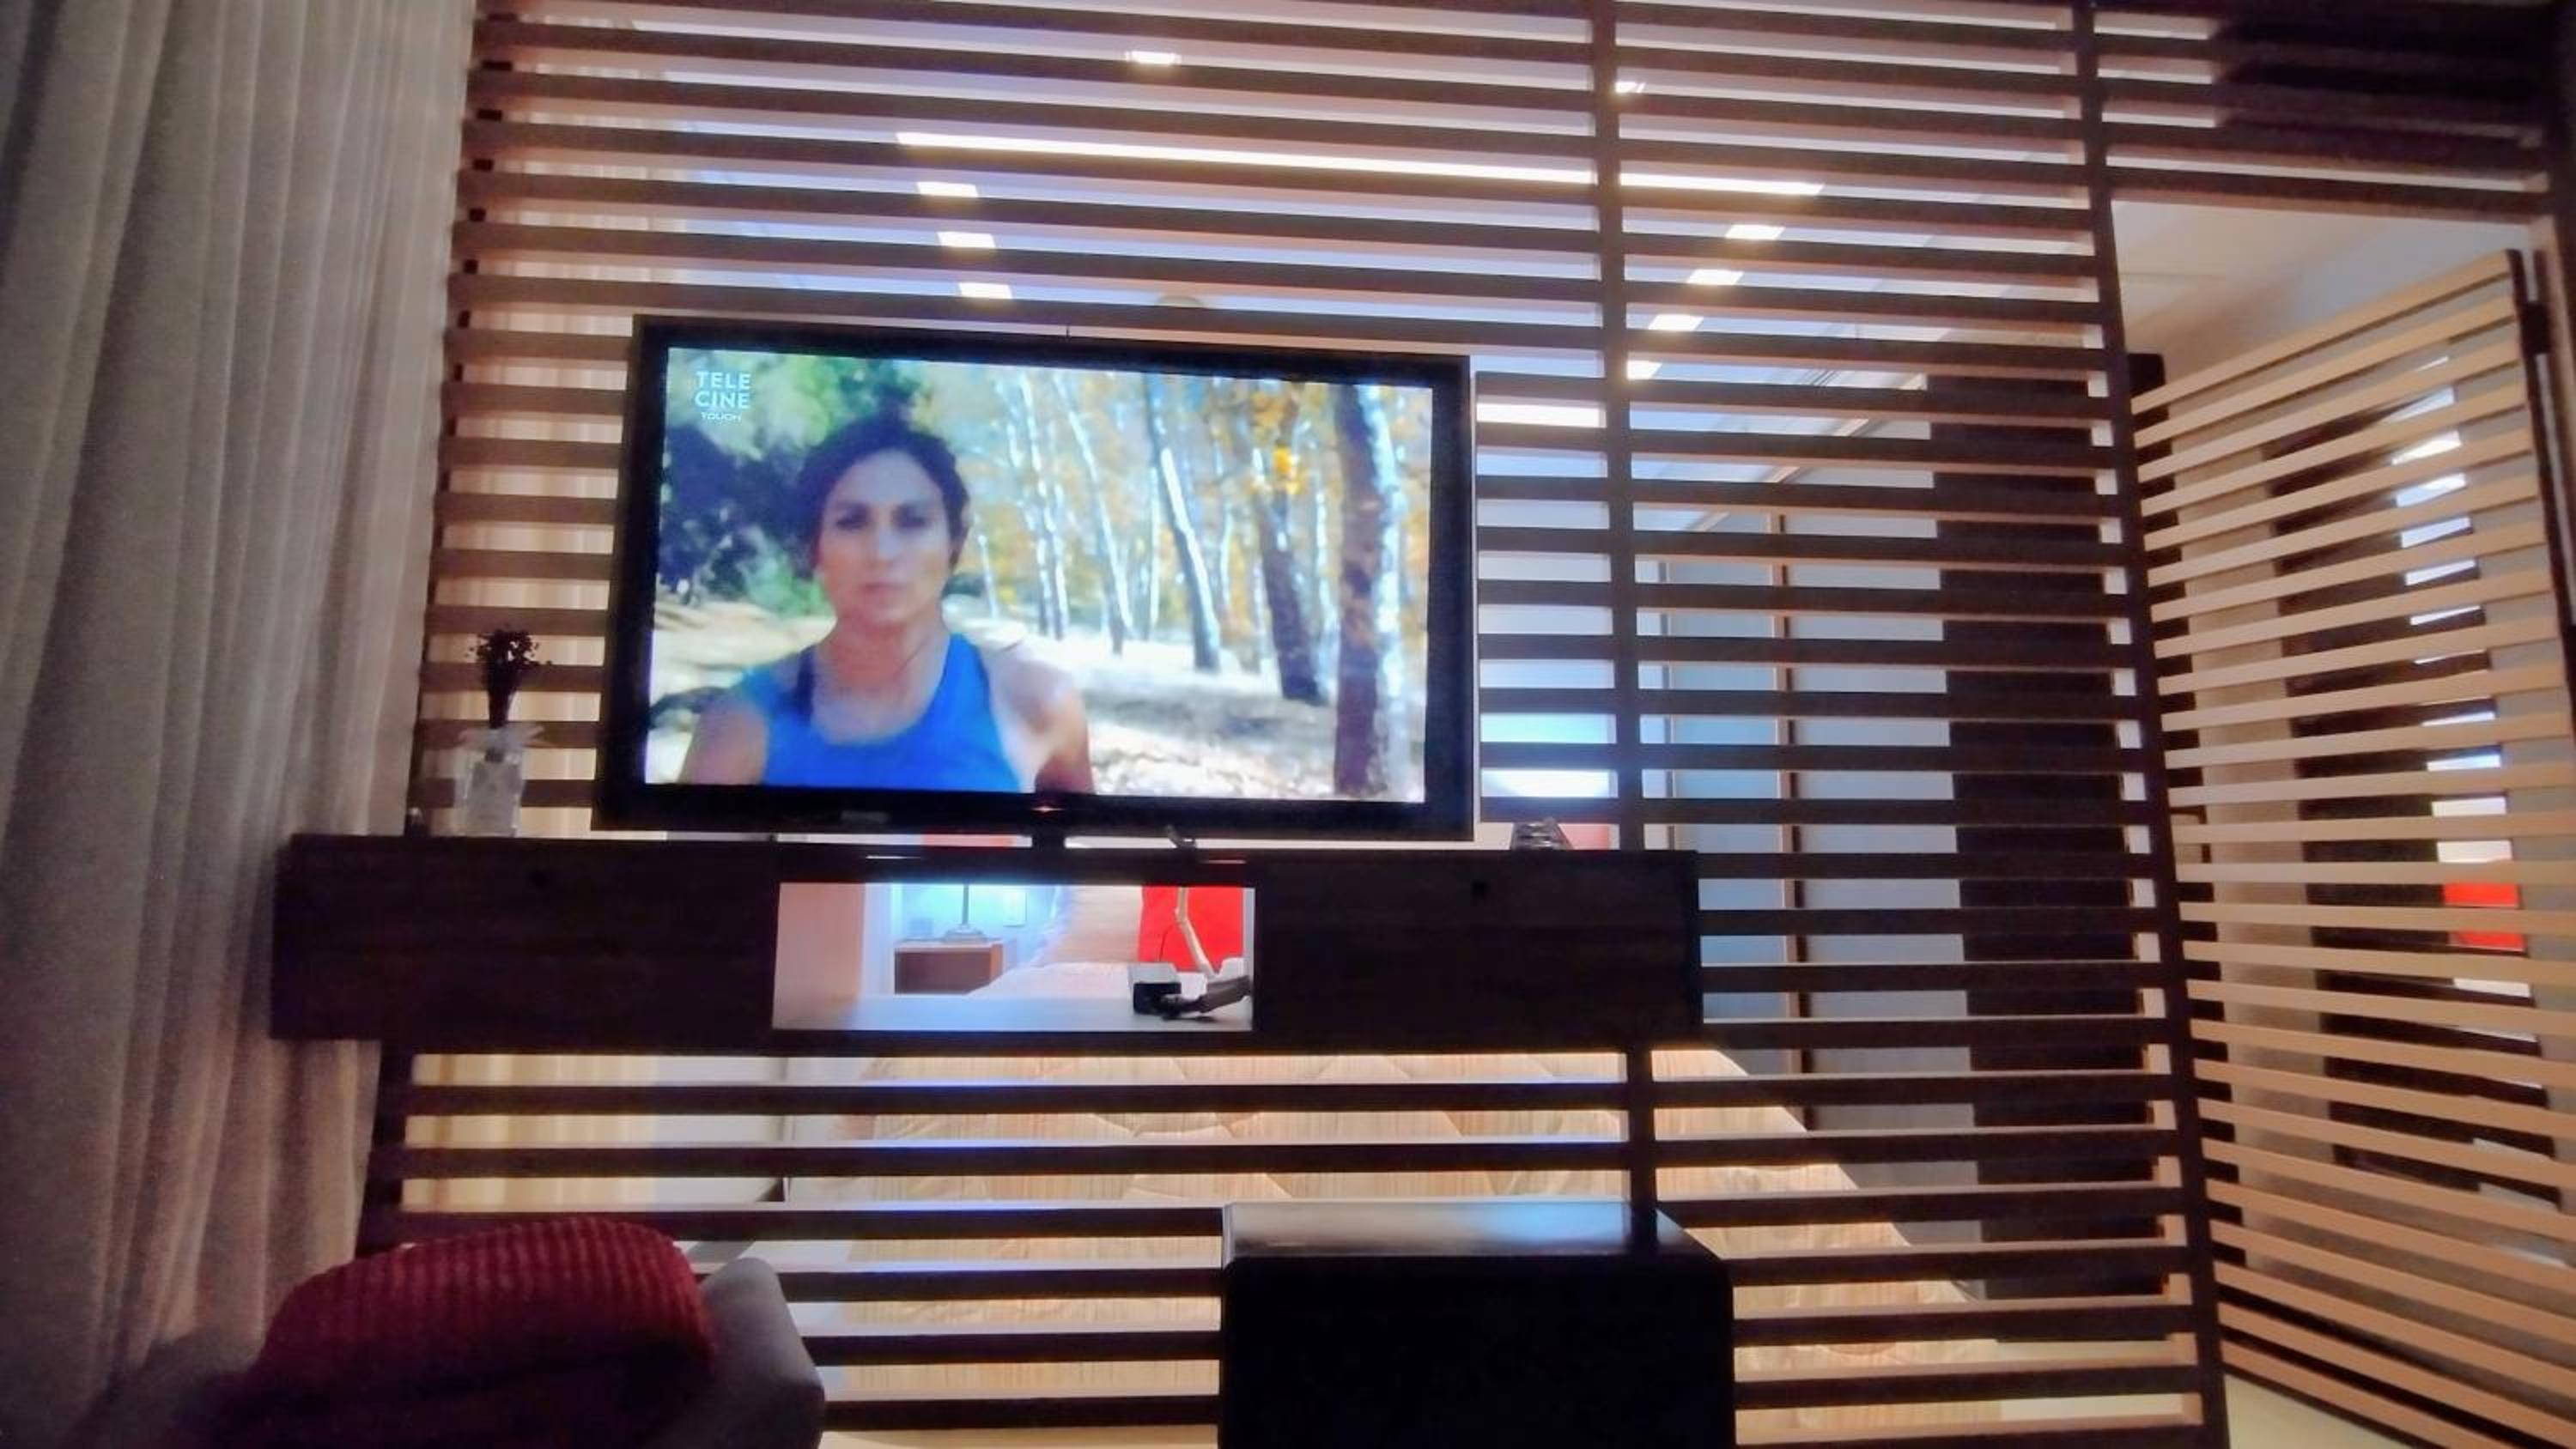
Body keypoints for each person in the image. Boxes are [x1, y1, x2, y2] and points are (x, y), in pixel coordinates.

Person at [680, 412, 1093, 792]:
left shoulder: (1037, 702)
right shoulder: (738, 726)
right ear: (813, 547)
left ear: (954, 541)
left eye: (913, 521)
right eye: (852, 522)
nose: (883, 552)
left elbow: (1080, 846)